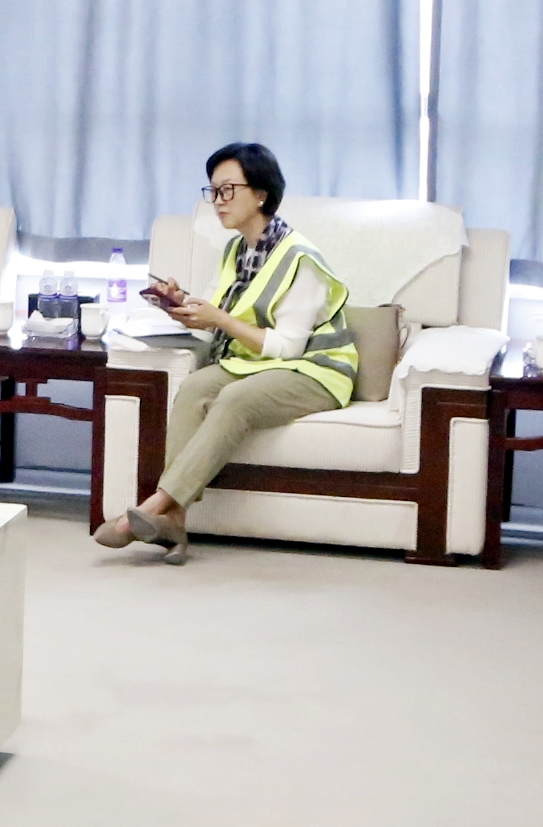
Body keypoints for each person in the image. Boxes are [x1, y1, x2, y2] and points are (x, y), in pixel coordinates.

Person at [97, 142, 359, 562]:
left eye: (228, 190)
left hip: (316, 371)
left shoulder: (300, 258)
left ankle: (153, 507)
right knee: (194, 387)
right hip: (258, 364)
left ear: (261, 194)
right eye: (214, 191)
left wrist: (218, 318)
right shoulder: (236, 251)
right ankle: (175, 523)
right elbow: (223, 314)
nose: (218, 201)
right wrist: (183, 305)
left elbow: (288, 345)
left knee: (235, 398)